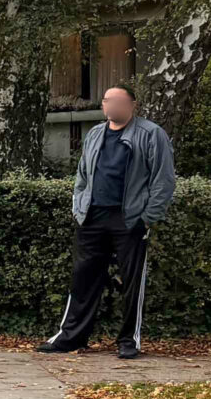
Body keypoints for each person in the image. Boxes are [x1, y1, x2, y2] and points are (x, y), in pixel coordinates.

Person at [38, 85, 175, 360]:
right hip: (92, 218)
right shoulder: (95, 134)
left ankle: (128, 341)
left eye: (119, 101)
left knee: (132, 282)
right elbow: (82, 176)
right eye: (108, 101)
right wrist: (79, 209)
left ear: (132, 105)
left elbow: (163, 181)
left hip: (129, 219)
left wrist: (146, 219)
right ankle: (70, 338)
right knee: (83, 279)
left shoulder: (151, 134)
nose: (112, 106)